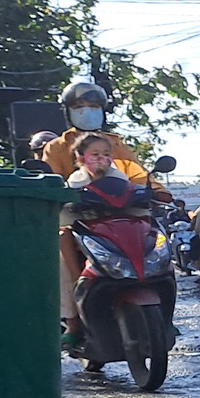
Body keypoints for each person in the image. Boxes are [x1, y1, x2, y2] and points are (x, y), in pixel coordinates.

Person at [57, 133, 128, 352]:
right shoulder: (76, 181)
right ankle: (72, 323)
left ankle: (163, 314)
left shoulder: (120, 178)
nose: (101, 159)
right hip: (86, 235)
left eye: (106, 154)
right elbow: (68, 216)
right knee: (62, 239)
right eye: (95, 154)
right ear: (81, 158)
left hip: (117, 235)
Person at [40, 80, 163, 192]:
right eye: (78, 107)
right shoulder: (56, 146)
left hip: (120, 205)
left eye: (94, 106)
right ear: (67, 111)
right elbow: (52, 182)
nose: (86, 112)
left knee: (144, 216)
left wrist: (159, 191)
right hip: (76, 208)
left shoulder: (115, 144)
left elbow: (138, 175)